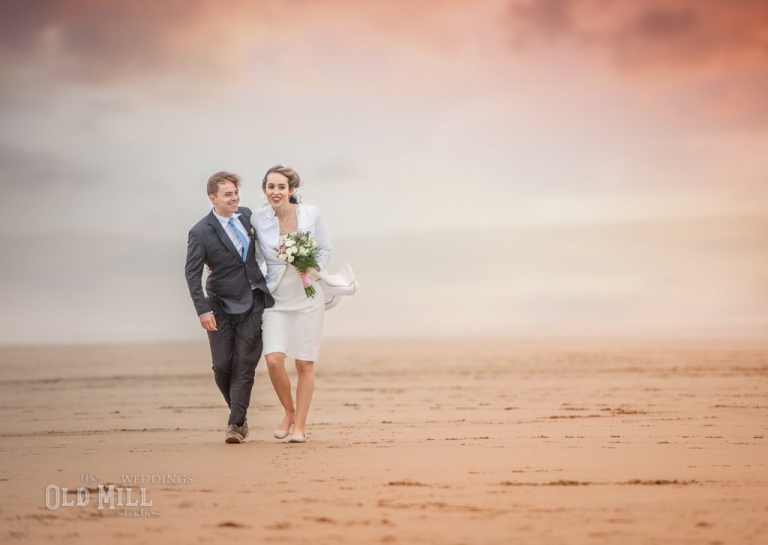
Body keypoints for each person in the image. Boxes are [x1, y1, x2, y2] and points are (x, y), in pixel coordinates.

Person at [185, 171, 274, 444]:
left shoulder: (248, 216)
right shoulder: (200, 232)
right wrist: (203, 310)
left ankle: (235, 424)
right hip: (219, 305)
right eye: (228, 194)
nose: (234, 198)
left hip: (253, 299)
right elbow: (192, 273)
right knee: (223, 366)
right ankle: (239, 412)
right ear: (213, 198)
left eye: (236, 193)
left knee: (245, 364)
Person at [252, 165, 331, 443]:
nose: (276, 192)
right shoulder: (257, 220)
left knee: (304, 364)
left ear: (291, 190)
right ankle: (289, 411)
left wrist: (310, 266)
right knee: (274, 360)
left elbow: (324, 248)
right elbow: (255, 257)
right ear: (264, 190)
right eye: (271, 187)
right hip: (275, 298)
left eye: (281, 187)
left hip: (308, 298)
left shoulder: (311, 213)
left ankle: (300, 426)